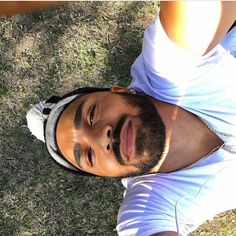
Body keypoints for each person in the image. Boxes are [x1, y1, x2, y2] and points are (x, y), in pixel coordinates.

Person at [26, 2, 236, 235]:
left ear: (121, 90)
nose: (101, 138)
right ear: (107, 176)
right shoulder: (149, 206)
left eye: (91, 115)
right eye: (88, 155)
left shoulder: (170, 66)